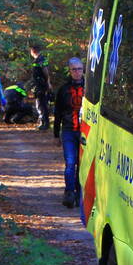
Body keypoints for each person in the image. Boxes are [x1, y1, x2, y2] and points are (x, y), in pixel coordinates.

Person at [53, 57, 84, 208]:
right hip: (68, 130)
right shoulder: (64, 89)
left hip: (85, 132)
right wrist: (55, 133)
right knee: (70, 163)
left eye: (80, 69)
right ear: (70, 71)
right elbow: (57, 111)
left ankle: (79, 194)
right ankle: (69, 192)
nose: (77, 72)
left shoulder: (90, 88)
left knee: (81, 163)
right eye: (74, 69)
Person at [29, 43, 52, 131]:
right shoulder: (38, 59)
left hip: (41, 85)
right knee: (41, 103)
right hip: (38, 84)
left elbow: (45, 71)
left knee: (41, 104)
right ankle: (44, 122)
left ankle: (44, 123)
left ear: (33, 51)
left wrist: (48, 83)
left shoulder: (40, 59)